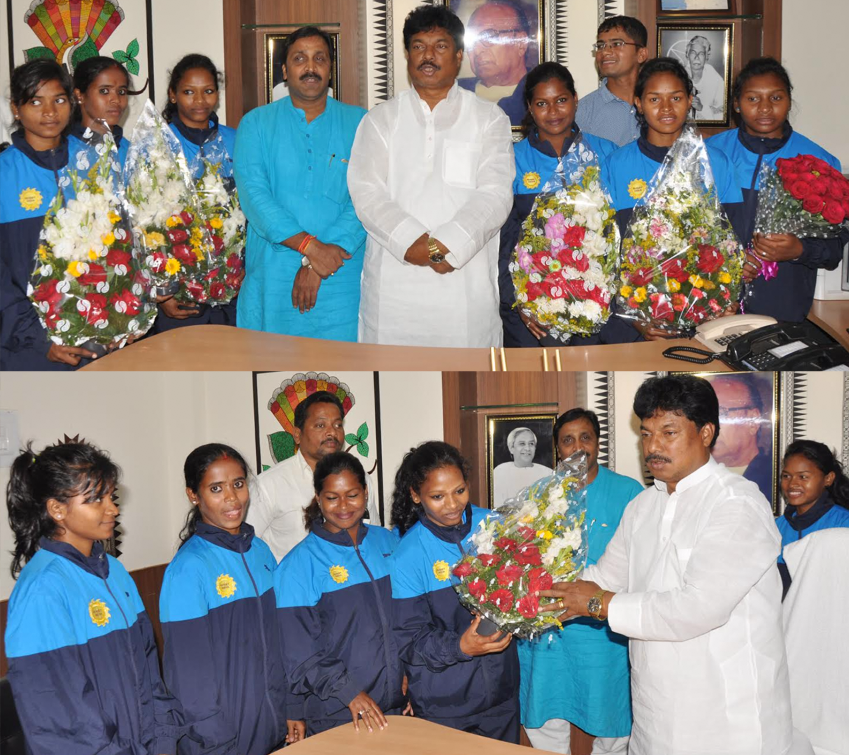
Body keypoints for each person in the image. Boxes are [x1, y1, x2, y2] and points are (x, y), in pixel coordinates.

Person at [539, 375, 792, 755]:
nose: (653, 447)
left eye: (668, 432)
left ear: (706, 433)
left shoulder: (736, 504)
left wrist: (598, 603)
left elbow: (697, 607)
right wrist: (528, 603)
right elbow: (605, 576)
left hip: (725, 716)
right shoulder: (643, 506)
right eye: (645, 434)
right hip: (655, 712)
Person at [348, 5, 514, 347]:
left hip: (464, 289)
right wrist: (413, 242)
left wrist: (446, 247)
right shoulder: (380, 120)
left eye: (440, 46)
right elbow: (367, 193)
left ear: (458, 56)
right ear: (407, 55)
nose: (428, 56)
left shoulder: (488, 118)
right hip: (395, 291)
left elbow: (495, 194)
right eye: (419, 46)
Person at [4, 440, 184, 754]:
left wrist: (165, 741)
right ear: (57, 509)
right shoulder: (43, 589)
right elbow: (63, 721)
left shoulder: (114, 571)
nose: (112, 509)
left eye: (110, 496)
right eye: (95, 499)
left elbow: (148, 673)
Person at [159, 443, 302, 754]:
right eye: (216, 488)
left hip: (273, 726)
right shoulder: (188, 569)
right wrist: (215, 741)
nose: (232, 498)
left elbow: (281, 642)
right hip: (222, 740)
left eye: (238, 484)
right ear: (193, 495)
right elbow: (188, 677)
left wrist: (292, 706)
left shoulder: (261, 552)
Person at [519, 409, 642, 755]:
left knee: (613, 721)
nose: (577, 447)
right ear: (557, 448)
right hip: (550, 633)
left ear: (598, 443)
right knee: (545, 717)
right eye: (567, 440)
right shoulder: (538, 495)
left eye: (585, 437)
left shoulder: (630, 493)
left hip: (603, 632)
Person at [234, 26, 366, 342]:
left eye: (319, 58)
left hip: (341, 276)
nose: (310, 67)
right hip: (273, 276)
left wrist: (320, 260)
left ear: (330, 68)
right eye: (299, 59)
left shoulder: (362, 123)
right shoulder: (255, 123)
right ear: (284, 70)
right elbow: (254, 196)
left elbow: (368, 198)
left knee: (345, 369)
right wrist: (310, 247)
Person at [602, 57, 743, 342]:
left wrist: (720, 299)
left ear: (690, 99)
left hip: (707, 318)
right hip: (638, 326)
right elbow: (605, 252)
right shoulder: (616, 164)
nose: (666, 108)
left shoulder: (716, 162)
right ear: (639, 103)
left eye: (676, 97)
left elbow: (734, 241)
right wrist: (635, 316)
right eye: (654, 98)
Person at [390, 441, 519, 742]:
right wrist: (460, 646)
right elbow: (410, 638)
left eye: (459, 491)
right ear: (415, 495)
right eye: (437, 496)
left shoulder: (495, 527)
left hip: (501, 697)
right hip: (443, 706)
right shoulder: (408, 555)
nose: (452, 505)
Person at [708, 58, 846, 322]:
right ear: (736, 104)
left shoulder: (820, 163)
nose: (765, 108)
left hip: (783, 306)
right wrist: (728, 259)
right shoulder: (710, 154)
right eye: (752, 99)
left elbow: (835, 249)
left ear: (789, 101)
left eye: (775, 98)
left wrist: (800, 250)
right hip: (711, 301)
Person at [275, 452, 404, 735]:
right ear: (318, 498)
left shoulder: (390, 542)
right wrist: (348, 692)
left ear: (366, 493)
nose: (343, 506)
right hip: (338, 713)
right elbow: (298, 652)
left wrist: (409, 672)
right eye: (332, 497)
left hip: (396, 706)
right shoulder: (298, 565)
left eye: (353, 495)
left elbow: (407, 619)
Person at [498, 62, 618, 346]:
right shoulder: (511, 159)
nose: (553, 112)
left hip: (595, 305)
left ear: (575, 99)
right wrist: (520, 301)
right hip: (530, 313)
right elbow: (502, 240)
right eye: (542, 103)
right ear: (529, 106)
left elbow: (618, 232)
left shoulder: (605, 152)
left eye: (561, 100)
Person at [0, 59, 97, 370]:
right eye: (35, 101)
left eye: (58, 99)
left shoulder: (94, 161)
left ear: (72, 101)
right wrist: (39, 337)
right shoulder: (4, 173)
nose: (49, 112)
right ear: (16, 108)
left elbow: (121, 246)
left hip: (99, 337)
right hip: (28, 347)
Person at [248, 391, 381, 562]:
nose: (331, 432)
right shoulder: (268, 484)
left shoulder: (359, 476)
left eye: (338, 425)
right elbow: (247, 546)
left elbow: (373, 533)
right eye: (320, 425)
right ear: (297, 434)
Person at [157, 54, 238, 333]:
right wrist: (162, 293)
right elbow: (145, 226)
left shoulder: (235, 140)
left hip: (231, 291)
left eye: (208, 91)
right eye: (189, 92)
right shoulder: (158, 146)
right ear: (173, 95)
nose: (200, 100)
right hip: (178, 295)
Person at [775, 440, 849, 595]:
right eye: (786, 476)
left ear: (828, 479)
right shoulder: (777, 526)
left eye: (803, 477)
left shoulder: (843, 523)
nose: (792, 484)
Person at [575, 16, 648, 147]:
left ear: (641, 54)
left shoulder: (659, 105)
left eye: (617, 44)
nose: (605, 52)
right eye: (600, 45)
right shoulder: (583, 111)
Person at [458, 0, 533, 125]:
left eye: (489, 36)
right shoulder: (453, 92)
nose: (477, 50)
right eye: (472, 42)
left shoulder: (541, 96)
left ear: (520, 43)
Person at [709, 375, 773, 504]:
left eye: (720, 413)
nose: (707, 424)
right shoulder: (687, 477)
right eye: (701, 413)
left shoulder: (774, 480)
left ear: (752, 421)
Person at [71, 56, 135, 166]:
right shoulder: (63, 153)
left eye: (122, 92)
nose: (116, 100)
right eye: (104, 91)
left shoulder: (134, 153)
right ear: (79, 95)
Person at [492, 427, 552, 506]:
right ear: (511, 448)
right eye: (522, 444)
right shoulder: (500, 471)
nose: (527, 448)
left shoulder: (548, 473)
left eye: (531, 444)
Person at [683, 36, 724, 121]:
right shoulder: (679, 75)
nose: (696, 57)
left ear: (706, 57)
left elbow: (722, 114)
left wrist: (702, 108)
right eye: (693, 53)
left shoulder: (715, 78)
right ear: (687, 54)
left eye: (701, 53)